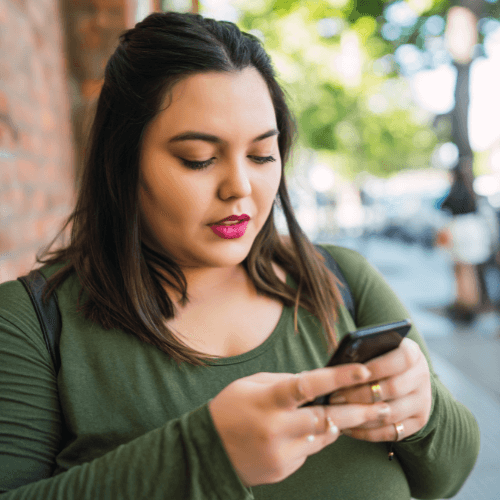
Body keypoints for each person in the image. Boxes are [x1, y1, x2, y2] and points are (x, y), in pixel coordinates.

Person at [0, 11, 479, 499]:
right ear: (121, 162)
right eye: (199, 159)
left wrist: (424, 410)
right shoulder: (31, 324)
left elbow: (448, 474)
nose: (240, 187)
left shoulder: (340, 278)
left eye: (261, 155)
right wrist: (203, 457)